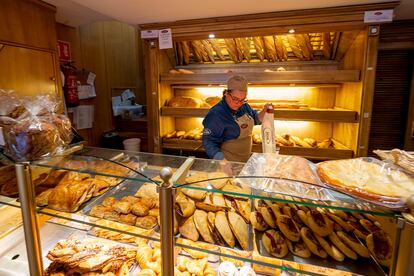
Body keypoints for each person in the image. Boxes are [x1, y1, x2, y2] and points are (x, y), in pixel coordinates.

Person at [202, 75, 272, 164]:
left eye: (242, 99)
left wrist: (264, 112)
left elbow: (254, 118)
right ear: (226, 94)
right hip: (227, 163)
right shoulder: (217, 113)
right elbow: (209, 141)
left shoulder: (244, 106)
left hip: (244, 160)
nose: (239, 103)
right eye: (235, 99)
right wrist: (222, 162)